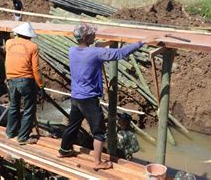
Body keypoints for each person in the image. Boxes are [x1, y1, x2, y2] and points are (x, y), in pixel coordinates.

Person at [58, 23, 158, 171]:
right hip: (89, 99)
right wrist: (142, 42)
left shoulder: (73, 50)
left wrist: (105, 43)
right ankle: (98, 162)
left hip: (76, 96)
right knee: (99, 132)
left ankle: (64, 150)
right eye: (92, 34)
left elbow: (94, 47)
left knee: (73, 125)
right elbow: (119, 54)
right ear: (86, 37)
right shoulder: (95, 53)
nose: (94, 36)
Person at [5, 22, 44, 145]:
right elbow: (35, 69)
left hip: (11, 79)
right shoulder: (33, 47)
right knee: (29, 108)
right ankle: (22, 137)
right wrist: (41, 85)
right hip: (26, 80)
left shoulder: (9, 43)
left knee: (13, 106)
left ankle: (10, 132)